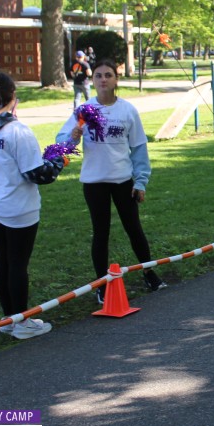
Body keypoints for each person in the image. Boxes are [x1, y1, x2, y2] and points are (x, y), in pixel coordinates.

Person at [56, 59, 166, 303]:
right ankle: (102, 286)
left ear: (116, 80)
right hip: (94, 182)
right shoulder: (84, 110)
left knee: (134, 228)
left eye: (108, 75)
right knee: (101, 232)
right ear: (92, 80)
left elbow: (139, 148)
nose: (103, 79)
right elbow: (62, 142)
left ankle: (149, 273)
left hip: (123, 180)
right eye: (98, 75)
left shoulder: (127, 110)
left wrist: (141, 182)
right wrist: (72, 136)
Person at [0, 71, 64, 340]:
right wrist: (58, 161)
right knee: (18, 263)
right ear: (14, 97)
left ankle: (8, 318)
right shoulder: (17, 131)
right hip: (19, 206)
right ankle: (21, 321)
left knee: (4, 259)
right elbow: (37, 174)